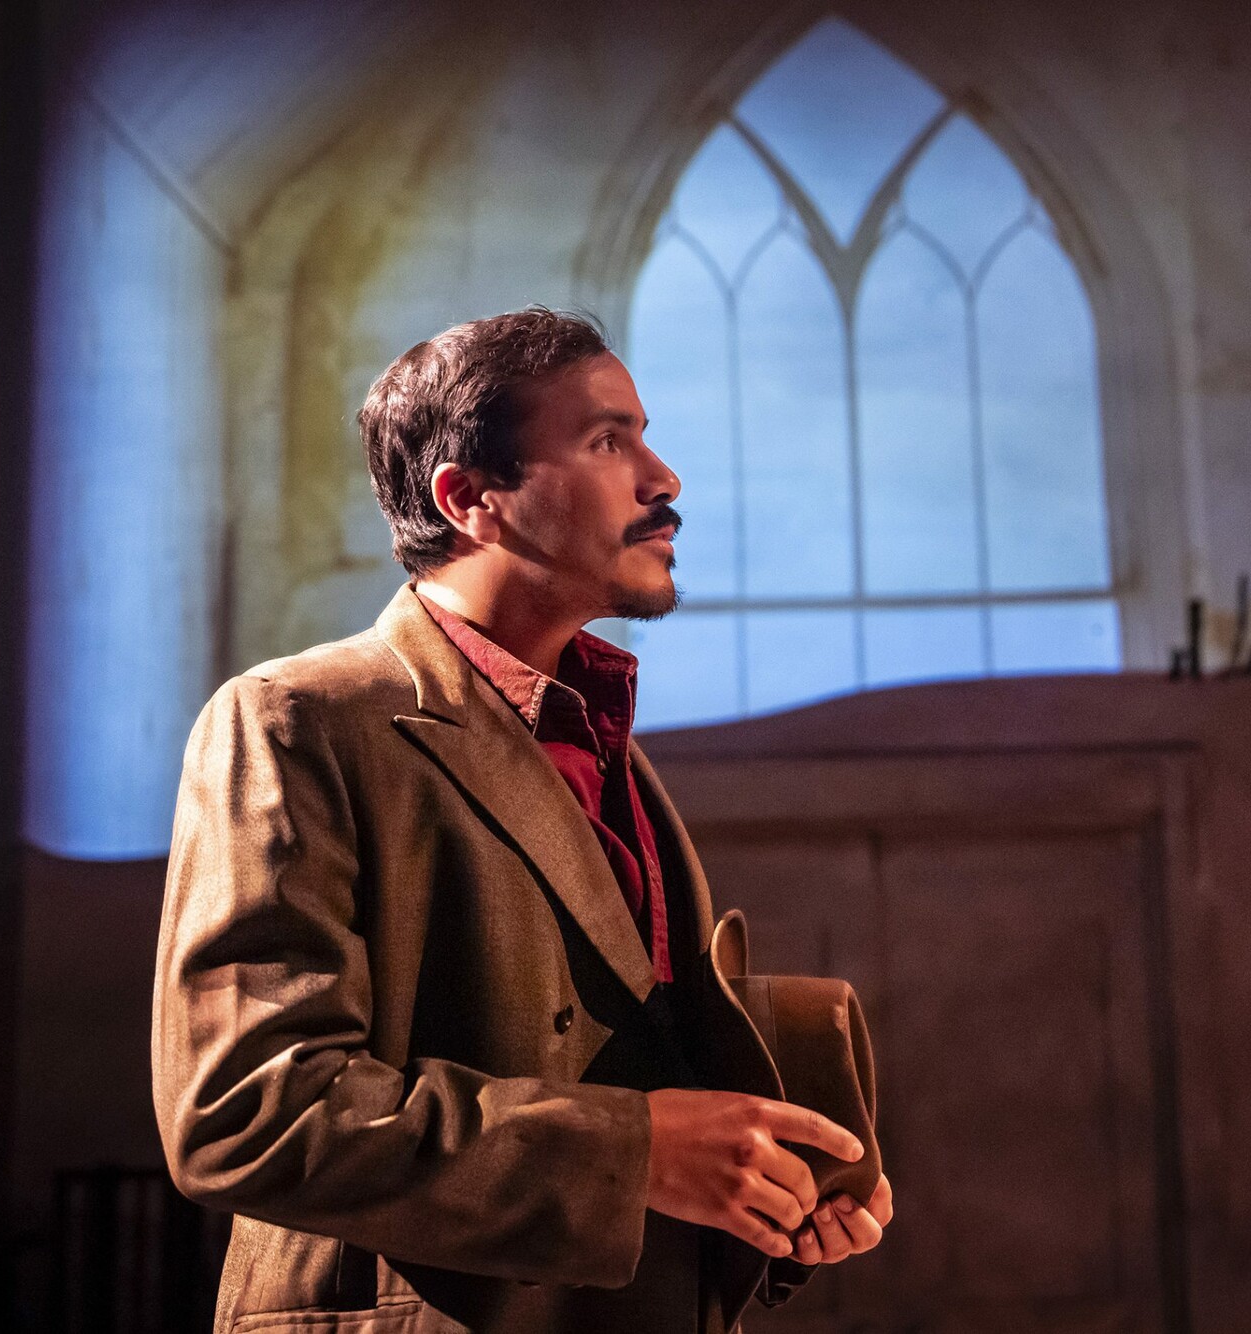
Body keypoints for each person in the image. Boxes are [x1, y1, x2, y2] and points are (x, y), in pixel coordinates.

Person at [152, 308, 893, 1334]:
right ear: (470, 500)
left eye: (645, 434)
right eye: (607, 440)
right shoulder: (294, 717)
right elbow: (245, 1112)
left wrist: (767, 1189)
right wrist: (634, 1151)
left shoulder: (606, 748)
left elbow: (626, 1093)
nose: (663, 475)